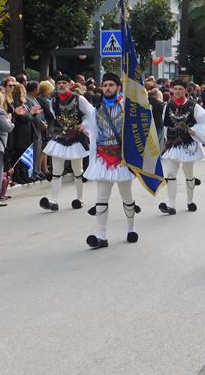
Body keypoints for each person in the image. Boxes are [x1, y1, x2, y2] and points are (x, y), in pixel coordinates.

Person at [83, 72, 140, 249]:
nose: (107, 88)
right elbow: (93, 135)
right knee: (101, 196)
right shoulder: (96, 109)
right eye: (105, 85)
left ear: (118, 88)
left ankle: (131, 229)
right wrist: (93, 159)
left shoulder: (127, 107)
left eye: (111, 85)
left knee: (127, 196)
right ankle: (101, 236)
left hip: (123, 159)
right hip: (103, 157)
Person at [158, 78, 205, 215]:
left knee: (188, 173)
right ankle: (171, 205)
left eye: (180, 89)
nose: (177, 91)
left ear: (185, 90)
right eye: (175, 89)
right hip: (173, 144)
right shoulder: (168, 106)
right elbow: (165, 126)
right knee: (170, 173)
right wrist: (166, 141)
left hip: (188, 144)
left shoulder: (193, 106)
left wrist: (194, 130)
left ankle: (190, 201)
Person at [39, 74, 93, 212]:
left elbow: (91, 114)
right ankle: (54, 201)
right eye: (59, 83)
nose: (61, 85)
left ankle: (79, 198)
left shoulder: (79, 99)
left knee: (77, 169)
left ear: (70, 84)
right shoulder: (53, 101)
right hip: (59, 136)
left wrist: (84, 124)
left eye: (64, 82)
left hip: (76, 137)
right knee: (56, 170)